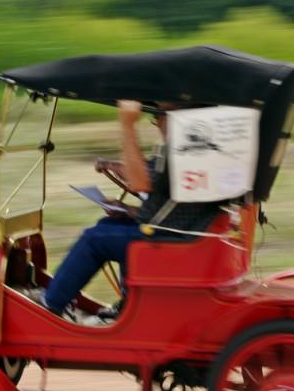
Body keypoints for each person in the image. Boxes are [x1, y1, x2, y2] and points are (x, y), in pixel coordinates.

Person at [41, 100, 221, 318]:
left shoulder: (185, 154)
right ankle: (130, 305)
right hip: (177, 233)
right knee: (108, 225)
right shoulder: (194, 150)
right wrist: (126, 208)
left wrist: (127, 126)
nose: (158, 124)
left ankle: (50, 305)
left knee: (94, 239)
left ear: (179, 118)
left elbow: (141, 182)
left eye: (160, 116)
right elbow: (167, 208)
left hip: (174, 242)